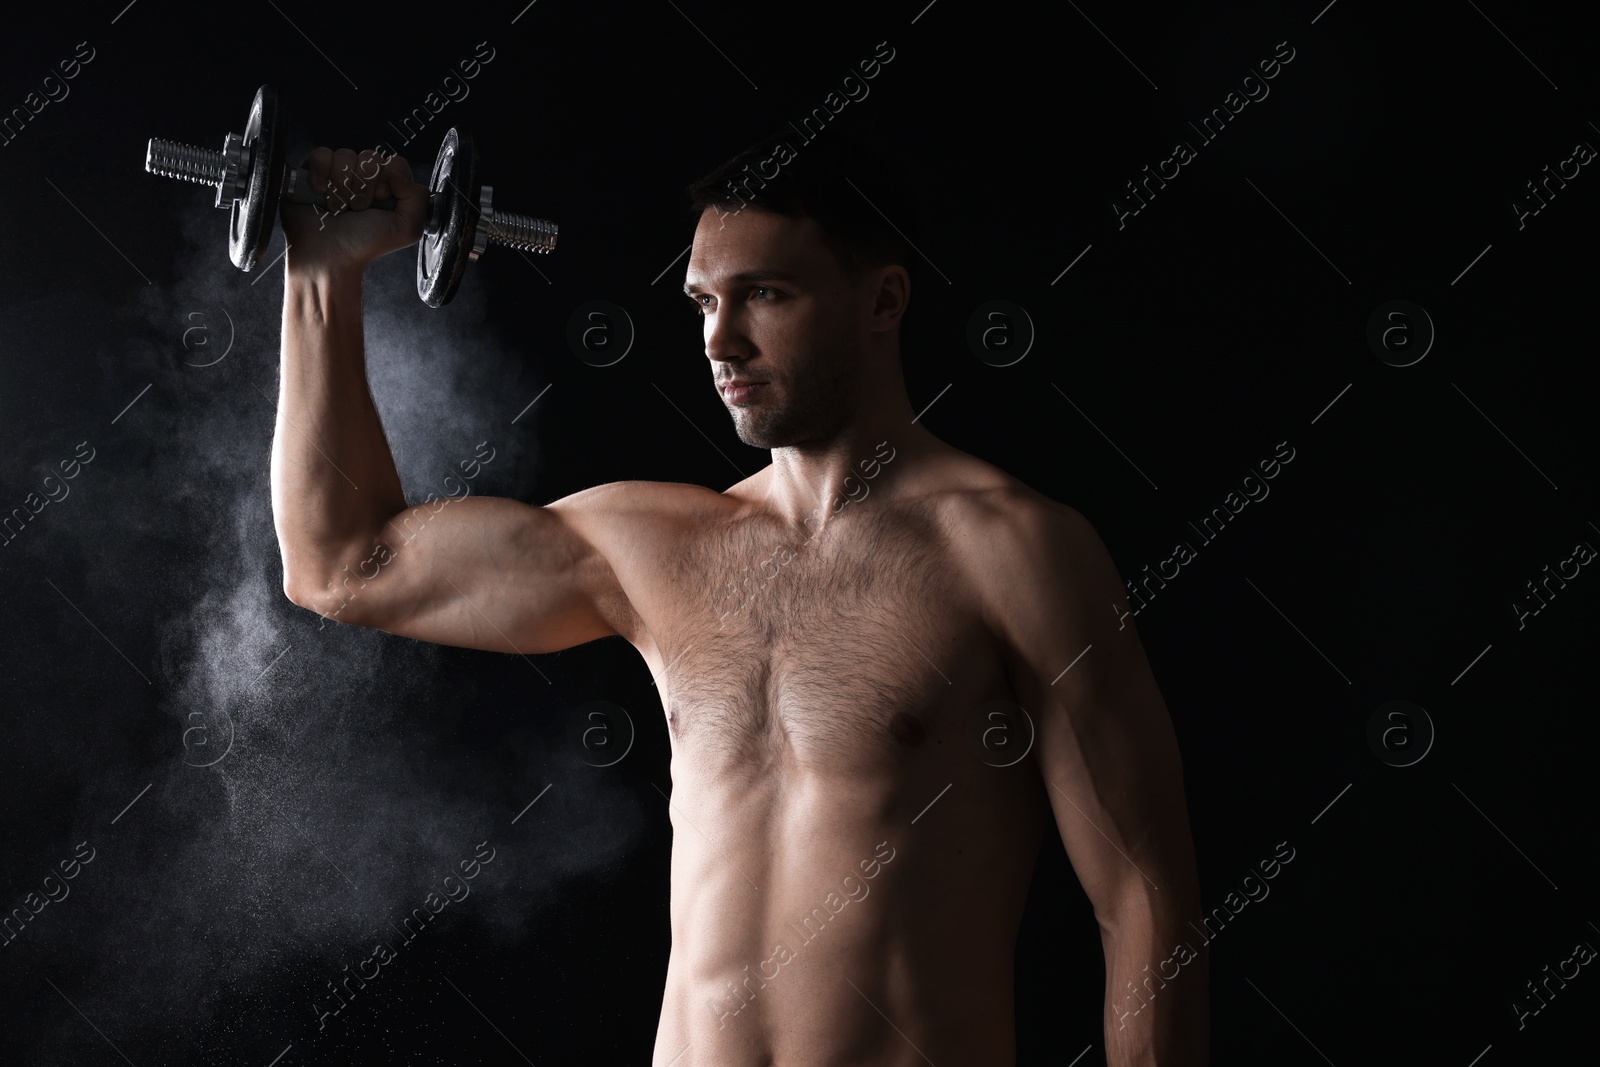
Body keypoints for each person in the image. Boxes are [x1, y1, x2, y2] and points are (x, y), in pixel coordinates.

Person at [274, 129, 1208, 1066]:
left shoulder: (1013, 552)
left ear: (882, 299)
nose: (719, 339)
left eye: (764, 294)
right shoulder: (655, 547)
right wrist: (323, 273)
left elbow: (1143, 899)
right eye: (703, 303)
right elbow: (341, 564)